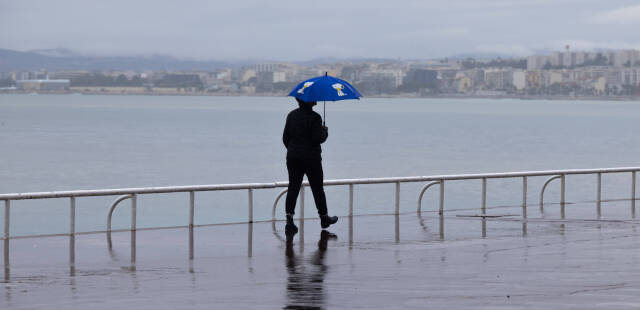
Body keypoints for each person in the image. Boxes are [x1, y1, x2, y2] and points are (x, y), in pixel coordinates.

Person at [282, 98, 338, 235]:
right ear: (309, 101)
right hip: (311, 158)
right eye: (313, 99)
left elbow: (285, 137)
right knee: (317, 188)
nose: (316, 100)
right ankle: (324, 218)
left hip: (293, 157)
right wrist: (325, 132)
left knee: (293, 187)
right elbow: (317, 138)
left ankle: (289, 220)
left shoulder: (291, 115)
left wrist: (293, 149)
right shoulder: (315, 117)